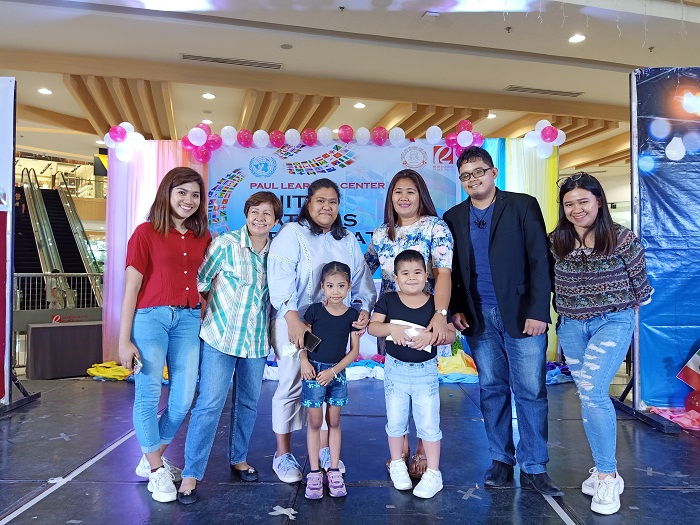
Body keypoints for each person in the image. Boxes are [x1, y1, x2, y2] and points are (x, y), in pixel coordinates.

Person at [443, 146, 561, 496]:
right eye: (466, 175)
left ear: (493, 172)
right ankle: (501, 460)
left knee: (530, 391)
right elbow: (454, 272)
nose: (473, 179)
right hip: (478, 319)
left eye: (479, 171)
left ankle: (535, 464)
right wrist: (456, 310)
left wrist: (541, 310)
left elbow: (541, 260)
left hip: (523, 314)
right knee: (491, 390)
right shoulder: (453, 217)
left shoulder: (522, 205)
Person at [550, 172, 653, 515]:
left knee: (593, 393)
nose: (577, 209)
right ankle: (602, 468)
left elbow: (641, 287)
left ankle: (608, 476)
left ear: (598, 201)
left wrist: (616, 312)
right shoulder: (556, 242)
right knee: (588, 397)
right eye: (569, 204)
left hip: (612, 321)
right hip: (571, 328)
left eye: (584, 201)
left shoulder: (622, 238)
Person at [267, 178, 376, 483]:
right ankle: (283, 454)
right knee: (291, 385)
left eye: (332, 201)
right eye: (320, 201)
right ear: (308, 203)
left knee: (327, 389)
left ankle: (327, 452)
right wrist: (291, 318)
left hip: (332, 326)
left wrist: (363, 308)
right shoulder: (292, 233)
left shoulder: (347, 239)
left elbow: (361, 280)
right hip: (296, 322)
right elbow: (279, 277)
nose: (327, 207)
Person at [177, 191, 282, 505]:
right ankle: (191, 474)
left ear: (277, 220)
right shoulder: (224, 244)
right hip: (221, 337)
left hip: (257, 340)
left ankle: (238, 458)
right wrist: (212, 315)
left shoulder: (278, 253)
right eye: (255, 211)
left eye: (268, 214)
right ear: (246, 213)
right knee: (209, 404)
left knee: (248, 403)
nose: (260, 218)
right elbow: (202, 282)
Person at [118, 167, 211, 503]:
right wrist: (123, 339)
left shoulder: (204, 236)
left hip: (188, 320)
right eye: (182, 192)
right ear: (167, 193)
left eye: (195, 195)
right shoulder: (145, 233)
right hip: (149, 319)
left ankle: (150, 455)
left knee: (184, 398)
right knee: (148, 392)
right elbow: (131, 288)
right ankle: (157, 470)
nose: (188, 200)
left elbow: (208, 282)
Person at [365, 168, 453, 478]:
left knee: (423, 387)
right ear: (390, 197)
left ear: (421, 196)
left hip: (426, 318)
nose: (404, 197)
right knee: (396, 386)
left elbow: (443, 273)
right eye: (398, 191)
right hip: (388, 317)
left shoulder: (435, 227)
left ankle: (420, 448)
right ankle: (399, 450)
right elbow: (365, 269)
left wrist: (439, 317)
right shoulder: (381, 233)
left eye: (410, 191)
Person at [368, 249, 456, 499]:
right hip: (395, 371)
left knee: (429, 423)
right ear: (395, 278)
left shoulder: (434, 304)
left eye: (417, 272)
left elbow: (450, 334)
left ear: (427, 276)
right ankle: (397, 464)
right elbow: (373, 327)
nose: (411, 278)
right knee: (396, 421)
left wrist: (433, 336)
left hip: (425, 373)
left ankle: (434, 474)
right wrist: (390, 327)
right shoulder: (388, 300)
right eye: (405, 273)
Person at [300, 261, 361, 499]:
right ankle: (314, 471)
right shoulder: (314, 311)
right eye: (330, 286)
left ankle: (333, 469)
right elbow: (304, 340)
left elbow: (354, 352)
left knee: (334, 422)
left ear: (349, 287)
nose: (336, 291)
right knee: (315, 423)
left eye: (341, 286)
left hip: (336, 375)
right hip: (313, 373)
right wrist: (304, 362)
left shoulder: (352, 315)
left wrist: (334, 372)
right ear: (322, 287)